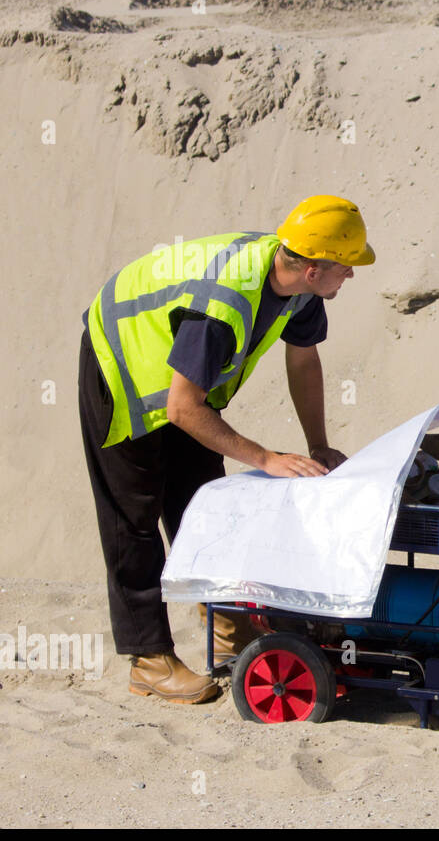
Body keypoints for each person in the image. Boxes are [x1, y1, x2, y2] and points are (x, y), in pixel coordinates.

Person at [78, 195, 375, 702]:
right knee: (134, 517)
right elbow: (182, 408)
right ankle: (148, 659)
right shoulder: (225, 303)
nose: (351, 276)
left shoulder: (297, 289)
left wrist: (318, 446)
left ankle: (228, 628)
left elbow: (303, 362)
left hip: (181, 384)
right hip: (123, 365)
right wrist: (266, 459)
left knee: (205, 507)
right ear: (309, 268)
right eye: (345, 267)